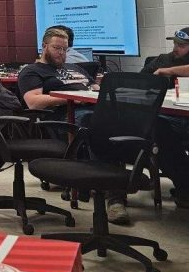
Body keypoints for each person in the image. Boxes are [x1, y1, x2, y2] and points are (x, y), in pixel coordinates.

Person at [17, 28, 132, 224]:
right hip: (67, 116)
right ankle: (114, 197)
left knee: (150, 122)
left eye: (65, 49)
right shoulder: (32, 71)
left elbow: (95, 88)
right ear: (44, 46)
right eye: (57, 48)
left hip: (95, 110)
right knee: (97, 125)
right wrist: (70, 98)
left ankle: (178, 186)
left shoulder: (76, 68)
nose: (61, 53)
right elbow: (33, 102)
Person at [141, 28, 189, 208]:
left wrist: (166, 71)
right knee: (157, 132)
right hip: (168, 117)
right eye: (175, 43)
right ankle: (185, 187)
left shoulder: (166, 67)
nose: (176, 48)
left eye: (182, 45)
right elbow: (139, 79)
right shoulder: (163, 59)